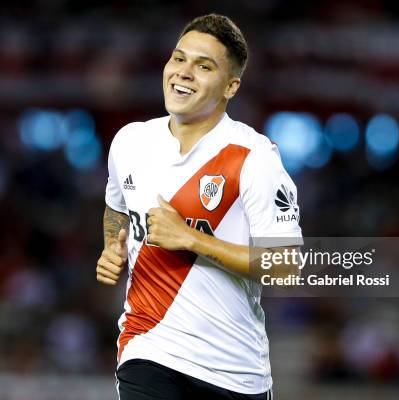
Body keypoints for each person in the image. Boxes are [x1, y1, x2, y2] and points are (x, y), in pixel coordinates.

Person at [96, 14, 302, 400]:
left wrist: (191, 239)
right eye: (179, 59)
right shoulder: (130, 142)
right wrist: (113, 245)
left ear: (231, 86)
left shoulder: (254, 157)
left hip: (235, 369)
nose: (184, 73)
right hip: (148, 347)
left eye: (203, 66)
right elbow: (116, 207)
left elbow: (286, 266)